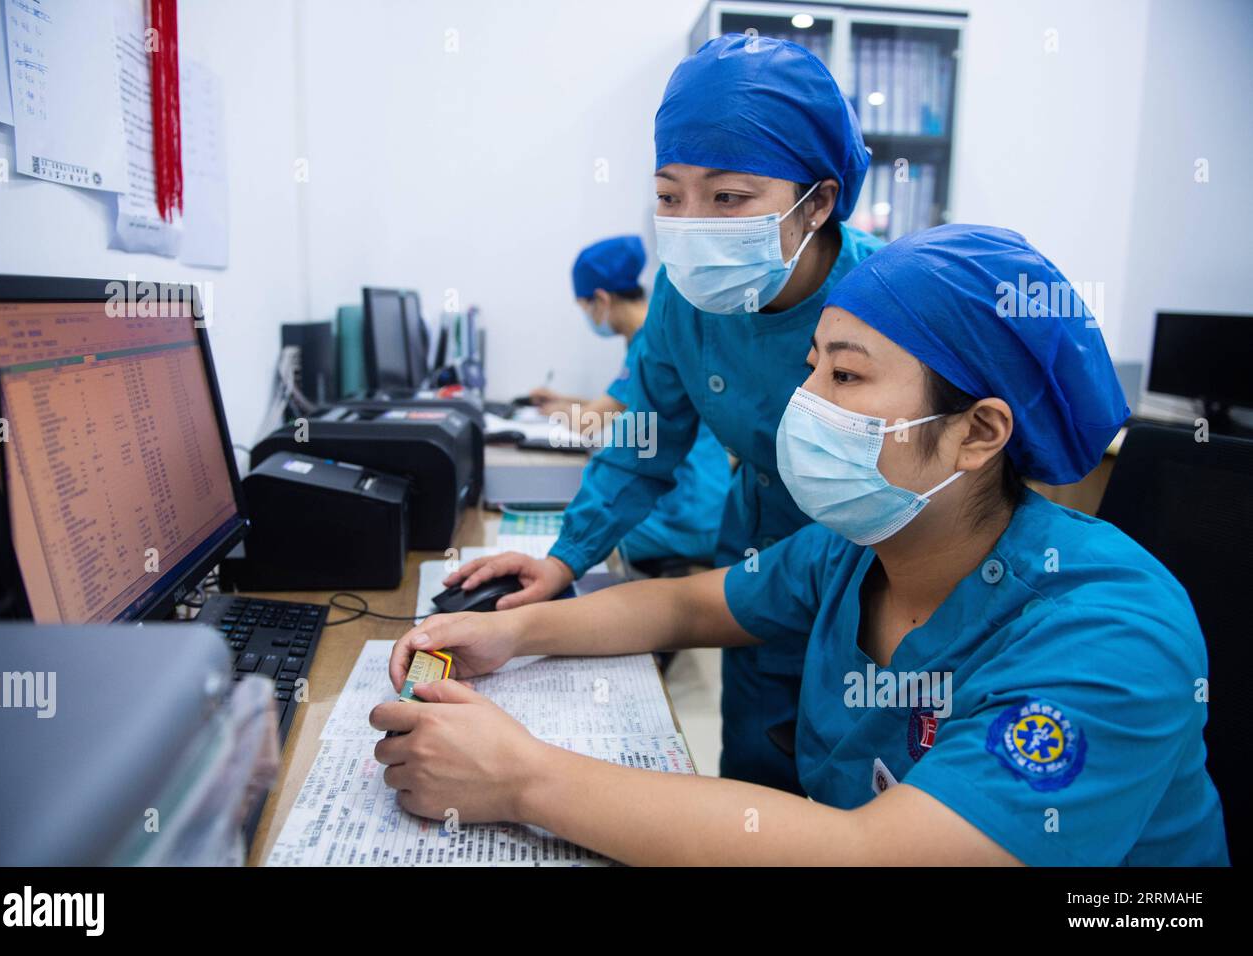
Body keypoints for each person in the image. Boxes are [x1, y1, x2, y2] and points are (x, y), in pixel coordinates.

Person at [369, 225, 1228, 866]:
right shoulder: (859, 548)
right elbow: (687, 602)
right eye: (811, 367)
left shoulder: (1113, 633)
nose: (801, 403)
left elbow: (873, 854)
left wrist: (519, 778)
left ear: (978, 433)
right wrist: (515, 630)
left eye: (845, 376)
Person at [443, 34, 884, 794]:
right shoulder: (685, 301)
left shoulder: (888, 297)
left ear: (818, 201)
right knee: (757, 778)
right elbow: (640, 441)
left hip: (885, 571)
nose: (693, 223)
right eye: (669, 195)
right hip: (755, 559)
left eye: (728, 197)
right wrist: (563, 559)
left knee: (871, 781)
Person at [528, 235, 731, 569]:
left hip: (687, 515)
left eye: (585, 308)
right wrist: (562, 400)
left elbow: (588, 421)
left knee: (576, 535)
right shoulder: (650, 335)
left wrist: (556, 412)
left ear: (601, 299)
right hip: (702, 501)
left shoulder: (649, 343)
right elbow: (627, 402)